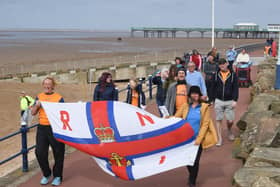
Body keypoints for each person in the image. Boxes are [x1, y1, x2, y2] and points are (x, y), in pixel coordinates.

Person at [174, 86, 218, 187]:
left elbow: (205, 124)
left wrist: (199, 139)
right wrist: (167, 118)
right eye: (193, 93)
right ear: (190, 95)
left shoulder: (204, 107)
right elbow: (176, 117)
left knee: (195, 161)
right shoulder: (185, 106)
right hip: (185, 139)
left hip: (197, 139)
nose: (195, 95)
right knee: (187, 160)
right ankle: (192, 175)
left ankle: (192, 181)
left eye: (197, 93)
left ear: (199, 95)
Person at [31, 77, 65, 186]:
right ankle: (46, 174)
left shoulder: (59, 98)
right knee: (39, 152)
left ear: (53, 86)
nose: (47, 86)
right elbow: (32, 113)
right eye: (45, 84)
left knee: (58, 153)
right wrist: (37, 105)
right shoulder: (39, 96)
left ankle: (57, 176)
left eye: (49, 84)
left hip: (55, 129)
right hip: (42, 128)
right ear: (43, 85)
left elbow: (64, 113)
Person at [213, 58, 239, 146]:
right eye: (220, 64)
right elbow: (212, 87)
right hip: (219, 100)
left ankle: (229, 130)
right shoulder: (216, 75)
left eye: (223, 64)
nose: (222, 65)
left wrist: (235, 100)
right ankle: (219, 138)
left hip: (230, 100)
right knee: (218, 119)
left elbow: (236, 88)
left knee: (230, 120)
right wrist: (213, 99)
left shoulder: (233, 75)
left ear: (227, 64)